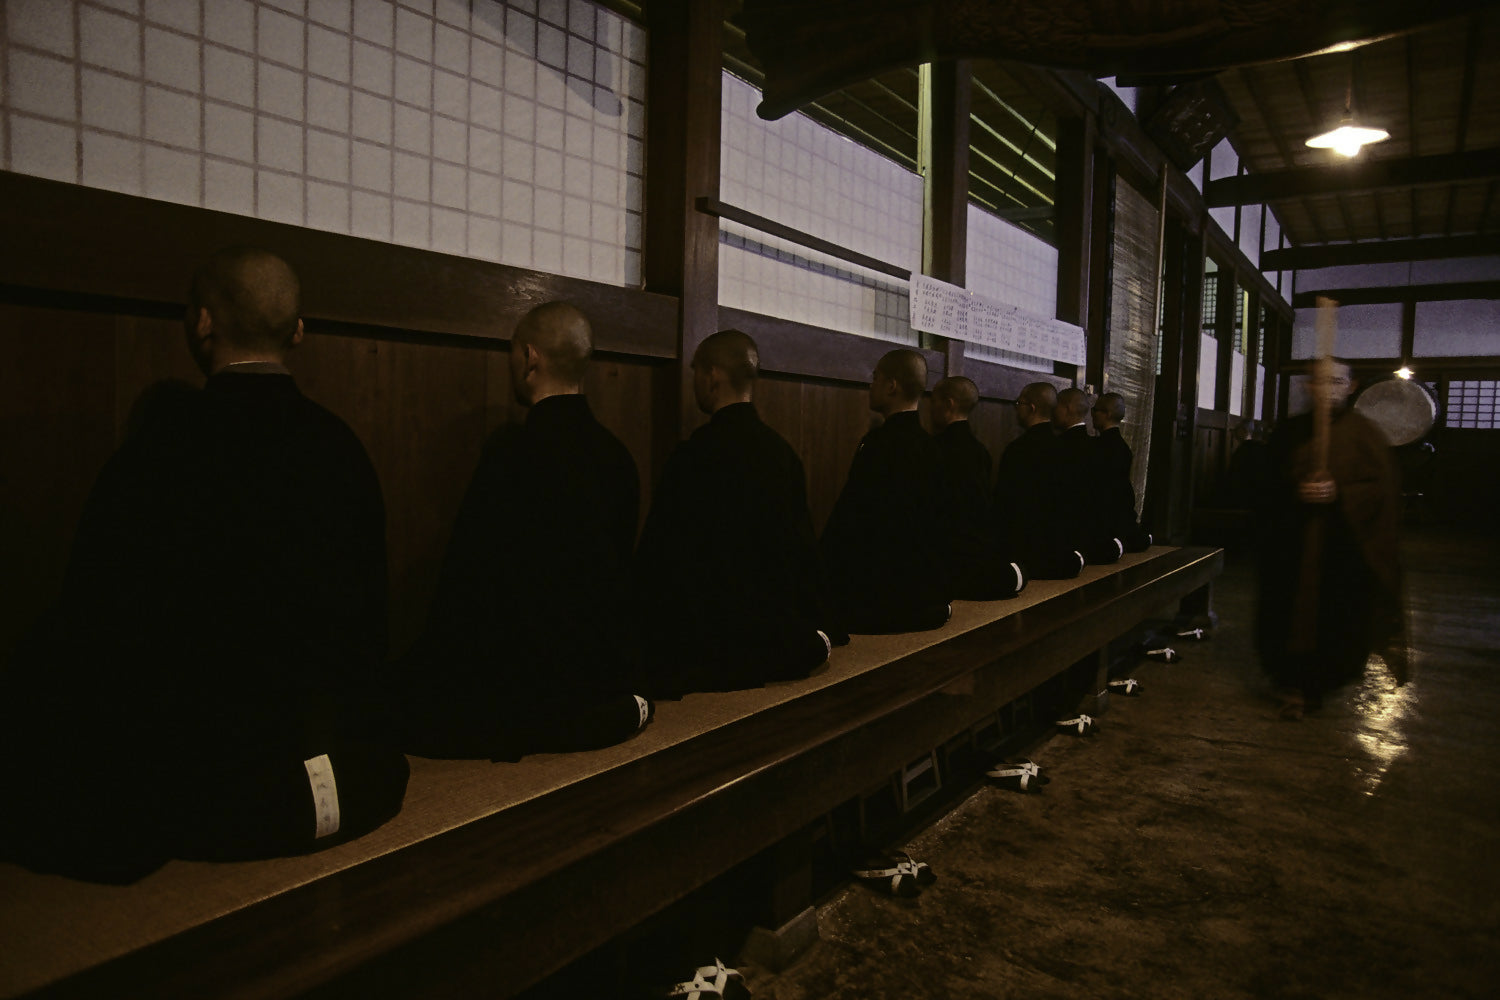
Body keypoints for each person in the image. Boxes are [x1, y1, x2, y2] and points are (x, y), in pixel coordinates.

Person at [0, 247, 407, 879]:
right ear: (298, 332)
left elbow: (95, 632)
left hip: (220, 800)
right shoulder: (343, 450)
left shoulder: (154, 457)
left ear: (203, 323)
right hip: (356, 778)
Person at [391, 302, 652, 758]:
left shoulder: (511, 456)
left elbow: (469, 586)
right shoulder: (618, 458)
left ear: (530, 358)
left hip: (525, 677)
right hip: (599, 667)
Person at [634, 330, 842, 697]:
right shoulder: (782, 454)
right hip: (770, 630)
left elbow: (660, 558)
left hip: (709, 633)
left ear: (713, 375)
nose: (694, 381)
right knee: (811, 643)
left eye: (696, 371)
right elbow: (803, 552)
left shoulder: (692, 458)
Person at [1255, 360, 1401, 719]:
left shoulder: (1364, 434)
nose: (1327, 388)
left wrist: (1341, 492)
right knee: (1285, 612)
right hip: (1292, 542)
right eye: (1320, 381)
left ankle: (1316, 684)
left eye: (1336, 380)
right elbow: (1263, 484)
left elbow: (1381, 490)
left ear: (1351, 386)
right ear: (1309, 386)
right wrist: (1296, 489)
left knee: (1335, 615)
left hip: (1342, 546)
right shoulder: (1289, 433)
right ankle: (1290, 679)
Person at [820, 349, 952, 633]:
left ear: (891, 386)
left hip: (883, 595)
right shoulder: (934, 448)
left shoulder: (877, 446)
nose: (871, 384)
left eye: (875, 378)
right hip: (928, 594)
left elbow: (849, 523)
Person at [929, 376, 1026, 600]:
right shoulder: (979, 449)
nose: (931, 407)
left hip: (948, 545)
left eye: (934, 401)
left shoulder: (935, 448)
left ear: (949, 404)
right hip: (981, 541)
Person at [992, 382, 1084, 579]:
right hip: (1060, 550)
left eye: (1019, 403)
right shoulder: (1066, 449)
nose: (1017, 409)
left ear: (1031, 408)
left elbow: (1005, 505)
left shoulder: (1017, 450)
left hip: (1025, 552)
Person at [1049, 387, 1124, 565]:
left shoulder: (1058, 447)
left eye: (1056, 407)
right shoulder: (1100, 447)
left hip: (1066, 531)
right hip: (1097, 529)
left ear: (1066, 409)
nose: (1052, 412)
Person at [1089, 391, 1153, 552]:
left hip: (1104, 514)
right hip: (1122, 510)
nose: (1092, 415)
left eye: (1095, 410)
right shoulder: (1123, 447)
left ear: (1107, 414)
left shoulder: (1098, 447)